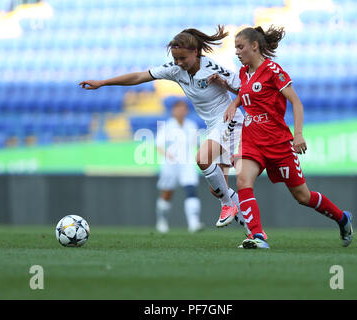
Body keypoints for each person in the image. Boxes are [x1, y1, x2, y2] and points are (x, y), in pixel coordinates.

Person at [79, 25, 252, 234]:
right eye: (176, 59)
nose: (179, 63)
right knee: (217, 188)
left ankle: (228, 205)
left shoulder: (213, 68)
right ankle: (252, 229)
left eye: (182, 59)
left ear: (195, 52)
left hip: (230, 120)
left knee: (202, 159)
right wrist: (103, 82)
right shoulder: (175, 69)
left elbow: (246, 90)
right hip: (212, 126)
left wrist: (226, 86)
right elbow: (139, 77)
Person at [222, 25, 354, 249]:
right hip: (252, 139)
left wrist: (298, 134)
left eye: (240, 47)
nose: (236, 52)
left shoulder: (273, 70)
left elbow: (296, 102)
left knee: (302, 196)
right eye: (235, 47)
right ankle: (258, 236)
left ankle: (342, 218)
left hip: (278, 143)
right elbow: (246, 92)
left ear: (254, 46)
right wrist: (234, 104)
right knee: (243, 180)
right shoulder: (243, 73)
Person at [154, 99, 203, 233]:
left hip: (187, 163)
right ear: (173, 111)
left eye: (184, 109)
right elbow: (158, 145)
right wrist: (168, 154)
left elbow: (197, 144)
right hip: (171, 164)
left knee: (191, 190)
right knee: (167, 193)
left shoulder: (191, 125)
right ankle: (162, 221)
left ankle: (194, 223)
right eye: (178, 108)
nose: (181, 111)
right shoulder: (167, 126)